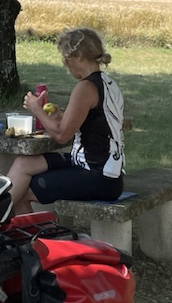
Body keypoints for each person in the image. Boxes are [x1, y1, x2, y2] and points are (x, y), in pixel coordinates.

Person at [7, 28, 125, 214]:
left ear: (78, 56)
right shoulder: (108, 83)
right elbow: (93, 124)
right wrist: (61, 117)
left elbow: (62, 135)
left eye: (65, 58)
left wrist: (36, 109)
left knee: (21, 190)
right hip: (101, 168)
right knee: (24, 163)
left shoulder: (85, 88)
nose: (65, 65)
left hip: (99, 176)